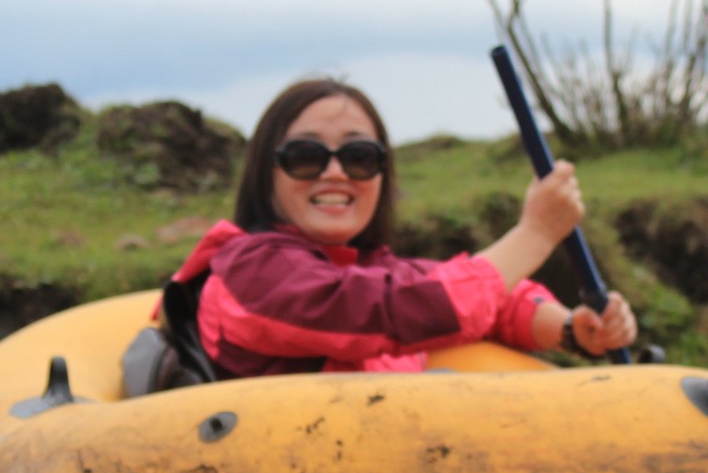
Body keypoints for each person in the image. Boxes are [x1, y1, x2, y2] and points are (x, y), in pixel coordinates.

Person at [164, 77, 638, 378]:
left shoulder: (372, 267)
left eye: (359, 157)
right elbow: (400, 311)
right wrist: (534, 235)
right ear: (265, 174)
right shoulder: (251, 272)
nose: (335, 173)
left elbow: (493, 301)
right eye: (306, 156)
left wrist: (575, 329)